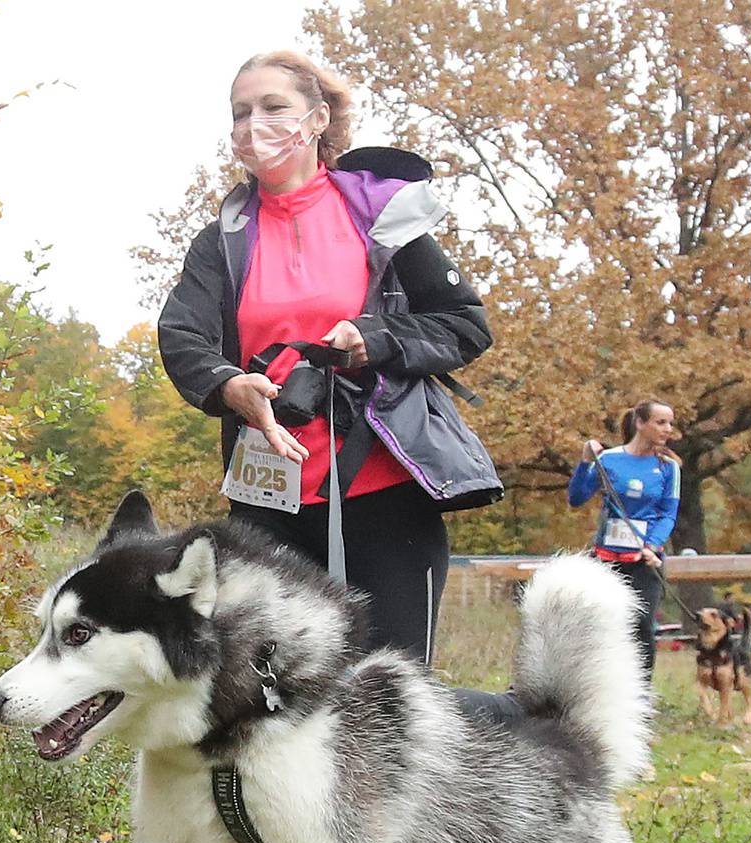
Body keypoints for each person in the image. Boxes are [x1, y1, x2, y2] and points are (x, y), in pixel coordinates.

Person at [157, 50, 501, 664]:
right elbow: (182, 335)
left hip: (385, 486)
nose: (252, 125)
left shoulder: (381, 214)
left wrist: (377, 340)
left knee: (388, 694)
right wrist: (229, 386)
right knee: (269, 694)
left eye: (273, 107)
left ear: (317, 119)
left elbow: (464, 326)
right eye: (240, 112)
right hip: (269, 495)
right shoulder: (224, 238)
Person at [568, 401, 682, 677]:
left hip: (645, 560)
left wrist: (652, 545)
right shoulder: (610, 459)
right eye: (660, 422)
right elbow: (577, 498)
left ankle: (640, 694)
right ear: (640, 424)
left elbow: (668, 514)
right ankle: (597, 684)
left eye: (670, 423)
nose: (667, 429)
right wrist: (585, 462)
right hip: (607, 558)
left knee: (642, 624)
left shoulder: (668, 467)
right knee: (601, 622)